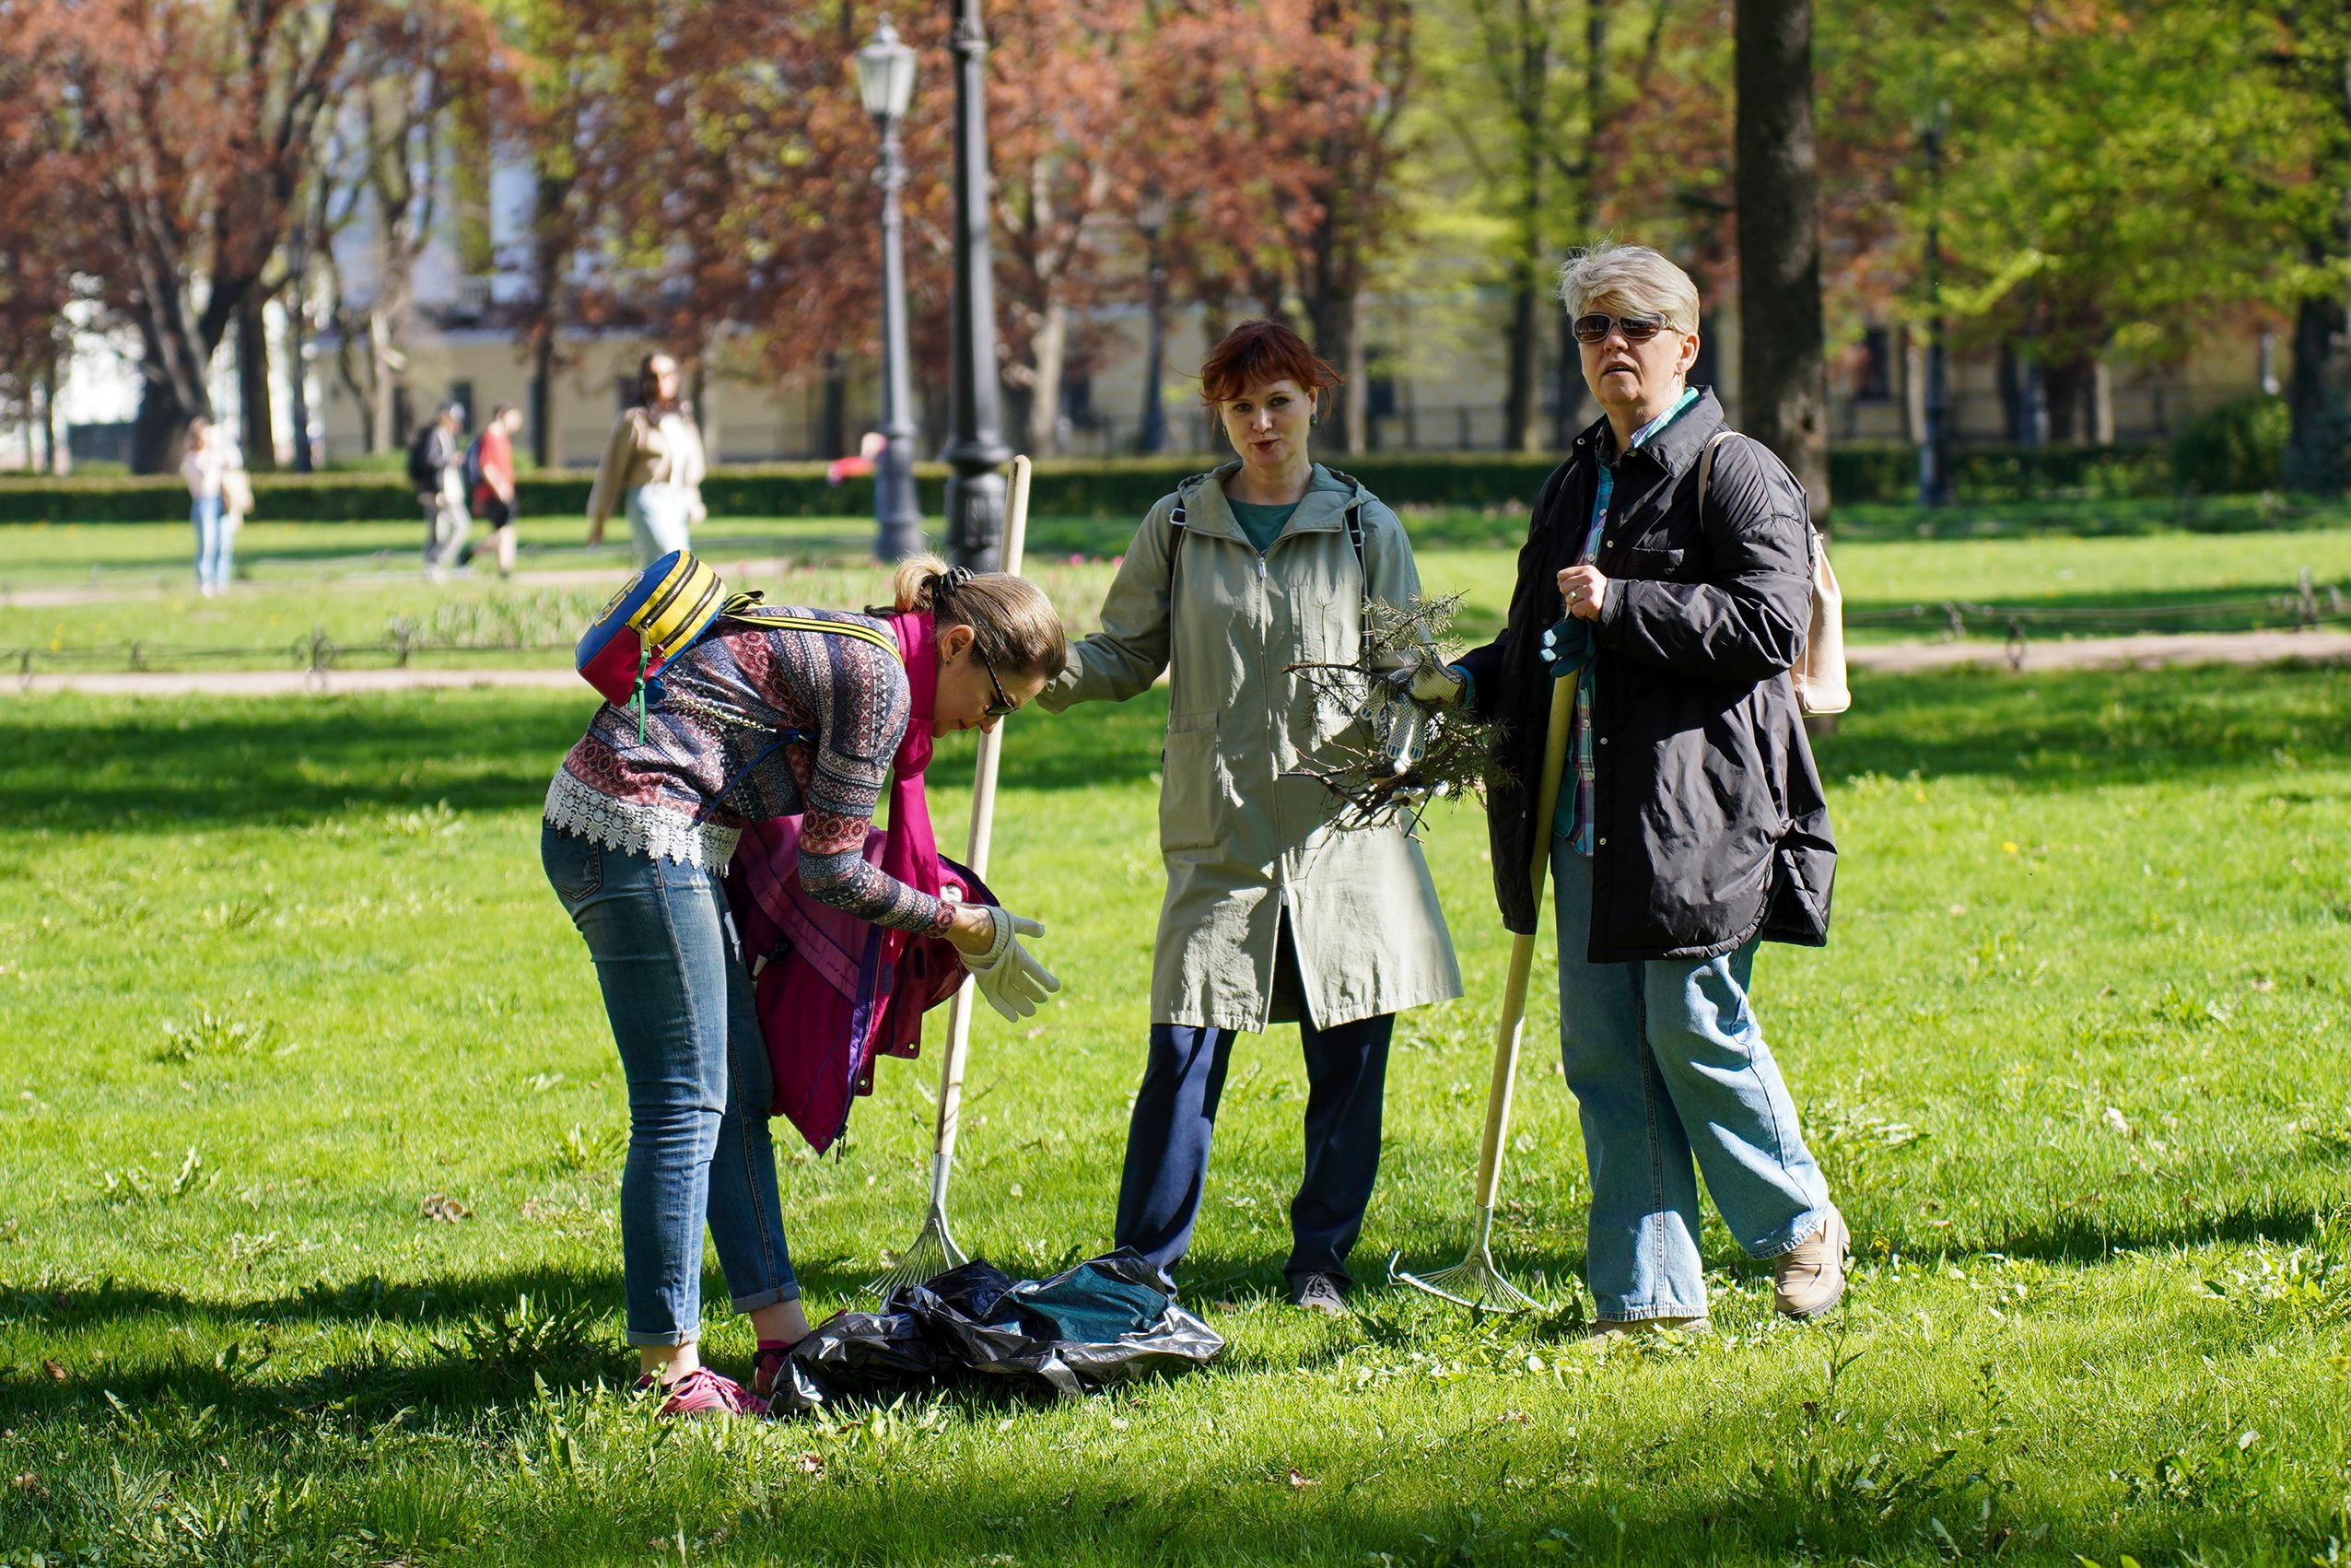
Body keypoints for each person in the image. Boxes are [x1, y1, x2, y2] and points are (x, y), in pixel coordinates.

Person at [541, 554, 1066, 1416]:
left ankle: (779, 1337)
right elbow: (832, 871)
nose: (991, 724)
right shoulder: (883, 682)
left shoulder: (876, 652)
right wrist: (956, 923)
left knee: (737, 1090)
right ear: (961, 642)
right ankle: (669, 1373)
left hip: (658, 837)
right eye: (1000, 701)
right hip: (636, 833)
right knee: (684, 1102)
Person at [1439, 241, 1845, 1337]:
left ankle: (1802, 1223)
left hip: (1698, 809)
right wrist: (1458, 682)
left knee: (1695, 1025)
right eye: (1591, 328)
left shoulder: (1737, 470)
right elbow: (1537, 632)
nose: (1611, 345)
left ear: (1685, 344)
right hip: (1582, 813)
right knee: (1606, 1052)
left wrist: (1623, 603)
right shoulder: (1577, 479)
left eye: (1634, 326)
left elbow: (1768, 623)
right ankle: (1647, 1297)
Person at [1036, 320, 1462, 1316]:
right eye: (1239, 407)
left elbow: (1405, 668)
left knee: (1348, 1055)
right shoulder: (1179, 525)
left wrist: (1427, 727)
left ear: (1315, 400)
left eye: (1278, 401)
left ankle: (1320, 1258)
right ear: (1218, 414)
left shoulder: (1364, 528)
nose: (1260, 423)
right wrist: (1030, 666)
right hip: (1220, 828)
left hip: (1345, 837)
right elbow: (1123, 653)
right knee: (1183, 1045)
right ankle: (1141, 1263)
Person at [588, 352, 708, 566]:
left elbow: (690, 466)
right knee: (675, 560)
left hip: (677, 498)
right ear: (644, 381)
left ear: (676, 378)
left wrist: (694, 499)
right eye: (654, 376)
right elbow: (612, 471)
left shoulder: (683, 417)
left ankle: (647, 599)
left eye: (667, 375)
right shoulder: (634, 421)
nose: (661, 382)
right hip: (648, 497)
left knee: (663, 565)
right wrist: (600, 518)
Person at [179, 418, 247, 597]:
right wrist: (213, 455)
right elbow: (202, 475)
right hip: (203, 502)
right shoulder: (190, 459)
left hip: (220, 501)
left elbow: (234, 462)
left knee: (224, 543)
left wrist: (223, 443)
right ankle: (204, 581)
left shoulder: (216, 453)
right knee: (207, 545)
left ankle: (221, 581)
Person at [410, 402, 470, 579]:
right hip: (439, 491)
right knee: (456, 526)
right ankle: (436, 562)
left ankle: (432, 566)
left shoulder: (445, 435)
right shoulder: (434, 434)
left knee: (440, 529)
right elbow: (429, 461)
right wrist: (450, 460)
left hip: (445, 491)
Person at [466, 403, 525, 578]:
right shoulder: (491, 436)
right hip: (493, 494)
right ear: (501, 415)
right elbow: (486, 466)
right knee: (505, 532)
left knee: (506, 531)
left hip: (501, 491)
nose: (517, 423)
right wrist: (499, 489)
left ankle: (504, 570)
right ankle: (472, 553)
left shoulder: (502, 437)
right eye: (514, 417)